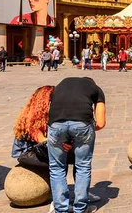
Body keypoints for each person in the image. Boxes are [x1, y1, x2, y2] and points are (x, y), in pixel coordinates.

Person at [47, 77, 105, 213]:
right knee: (83, 166)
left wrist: (68, 136)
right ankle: (81, 209)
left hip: (55, 125)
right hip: (82, 123)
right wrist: (83, 133)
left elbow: (53, 111)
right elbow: (101, 123)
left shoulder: (62, 83)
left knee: (56, 168)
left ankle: (60, 209)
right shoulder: (96, 89)